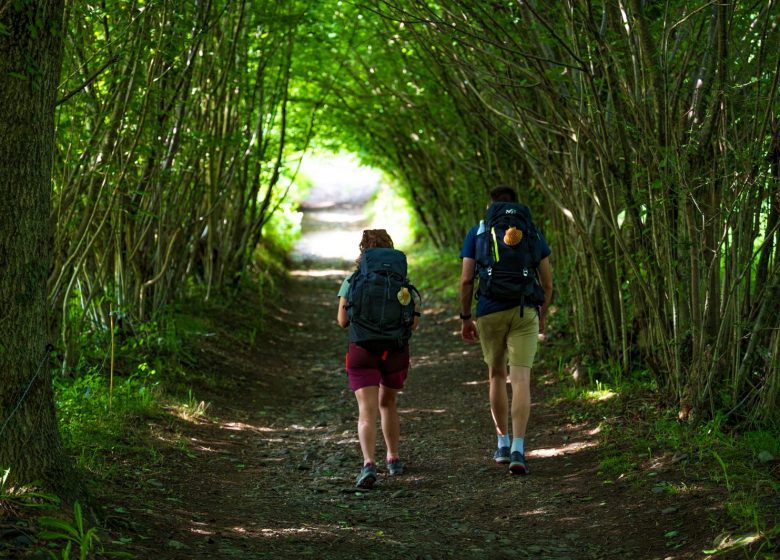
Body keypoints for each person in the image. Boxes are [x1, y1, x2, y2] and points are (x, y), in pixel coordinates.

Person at [459, 185, 553, 475]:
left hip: (490, 310)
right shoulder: (532, 231)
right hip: (525, 311)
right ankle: (518, 450)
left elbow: (466, 280)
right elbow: (547, 283)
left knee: (497, 375)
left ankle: (502, 443)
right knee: (521, 379)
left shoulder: (478, 231)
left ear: (490, 206)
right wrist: (541, 313)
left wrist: (465, 317)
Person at [337, 229, 420, 489]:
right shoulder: (401, 280)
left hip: (362, 349)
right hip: (395, 350)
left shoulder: (352, 280)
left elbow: (342, 320)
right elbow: (413, 322)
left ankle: (369, 464)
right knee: (388, 403)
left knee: (367, 411)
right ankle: (393, 458)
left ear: (363, 252)